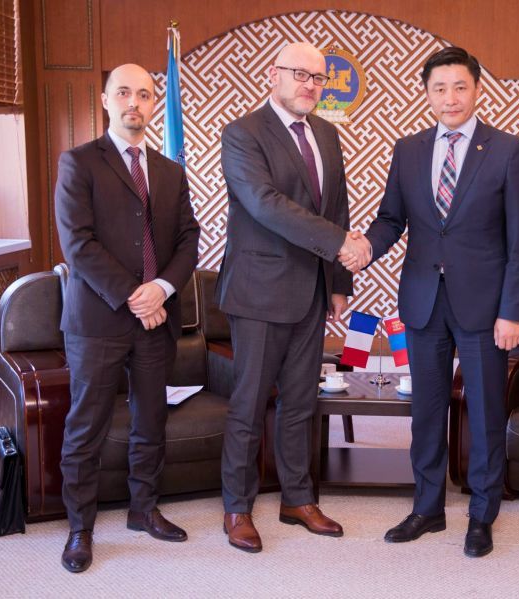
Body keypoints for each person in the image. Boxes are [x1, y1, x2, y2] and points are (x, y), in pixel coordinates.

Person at [348, 46, 519, 558]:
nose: (450, 98)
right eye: (439, 88)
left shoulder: (507, 150)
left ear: (477, 90)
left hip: (485, 307)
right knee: (426, 412)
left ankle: (482, 515)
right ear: (426, 93)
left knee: (485, 411)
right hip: (423, 301)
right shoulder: (408, 149)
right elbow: (391, 219)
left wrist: (512, 311)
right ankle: (427, 508)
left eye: (459, 87)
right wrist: (365, 248)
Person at [215, 41, 371, 553]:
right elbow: (266, 204)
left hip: (313, 291)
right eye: (299, 74)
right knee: (250, 404)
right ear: (273, 74)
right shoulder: (243, 133)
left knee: (301, 402)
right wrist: (341, 243)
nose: (309, 84)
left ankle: (297, 499)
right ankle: (237, 507)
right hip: (259, 293)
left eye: (318, 77)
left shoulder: (326, 133)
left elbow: (337, 207)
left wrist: (339, 283)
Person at [54, 63, 201, 573]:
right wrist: (135, 295)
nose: (133, 102)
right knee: (86, 426)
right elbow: (78, 244)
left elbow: (188, 239)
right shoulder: (78, 162)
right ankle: (80, 528)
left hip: (157, 319)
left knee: (151, 420)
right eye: (123, 92)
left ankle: (144, 510)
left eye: (143, 93)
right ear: (105, 100)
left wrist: (161, 288)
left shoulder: (169, 170)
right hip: (99, 320)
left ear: (154, 103)